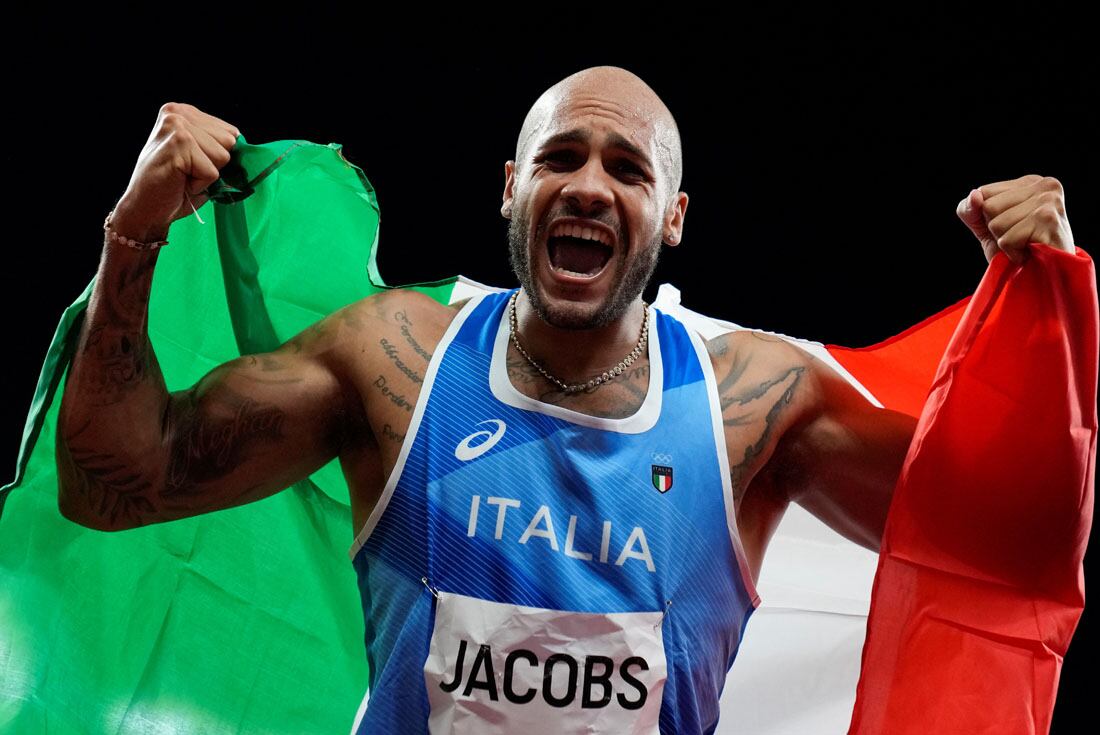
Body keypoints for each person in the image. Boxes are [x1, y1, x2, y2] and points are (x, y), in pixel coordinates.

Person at [54, 66, 1079, 734]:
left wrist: (1044, 310)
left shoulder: (757, 406)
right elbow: (114, 481)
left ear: (669, 217)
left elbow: (999, 547)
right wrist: (132, 235)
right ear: (511, 188)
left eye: (627, 169)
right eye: (559, 158)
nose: (588, 185)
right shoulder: (393, 366)